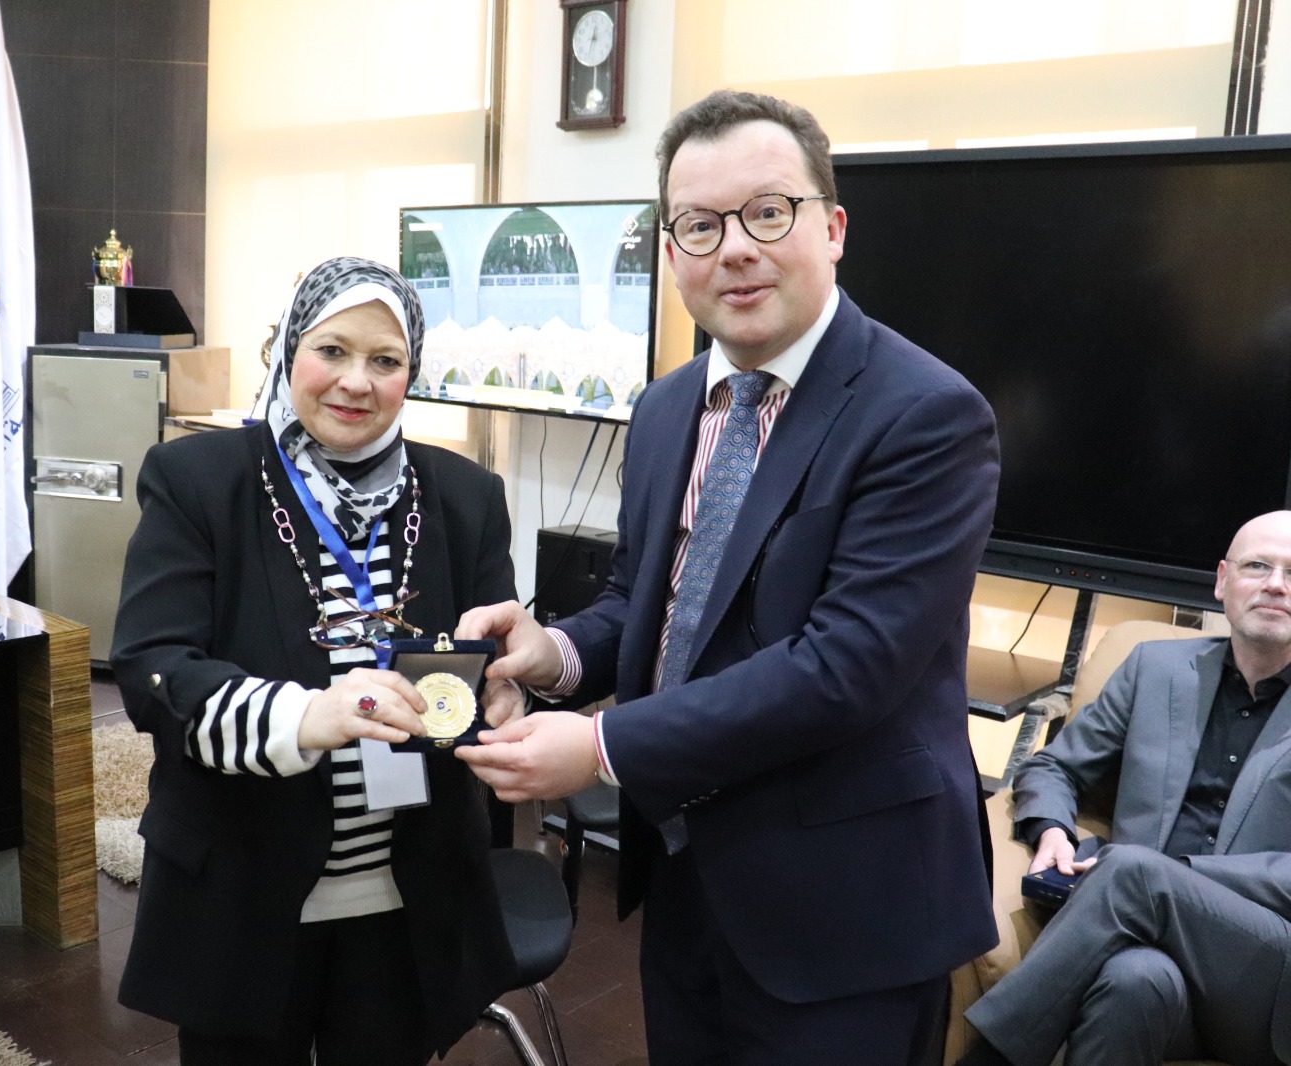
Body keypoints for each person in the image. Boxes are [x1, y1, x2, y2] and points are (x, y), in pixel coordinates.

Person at [455, 90, 1001, 1064]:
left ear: (833, 228)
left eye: (768, 212)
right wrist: (554, 653)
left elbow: (846, 666)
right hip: (687, 873)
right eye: (700, 225)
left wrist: (602, 745)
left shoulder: (925, 414)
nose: (735, 248)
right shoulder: (667, 408)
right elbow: (647, 601)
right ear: (671, 253)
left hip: (847, 910)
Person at [110, 257, 518, 1066]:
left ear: (411, 374)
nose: (356, 382)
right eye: (332, 351)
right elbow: (156, 673)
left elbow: (491, 660)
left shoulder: (467, 495)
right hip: (241, 892)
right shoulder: (199, 479)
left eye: (385, 360)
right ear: (289, 349)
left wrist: (508, 696)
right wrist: (309, 715)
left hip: (409, 896)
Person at [958, 511, 1291, 1066]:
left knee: (1134, 870)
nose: (1276, 584)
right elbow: (1054, 768)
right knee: (1133, 983)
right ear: (1222, 581)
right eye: (1258, 566)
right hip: (1145, 951)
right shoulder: (1155, 668)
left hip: (1267, 979)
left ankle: (988, 1058)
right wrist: (1053, 831)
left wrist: (1172, 875)